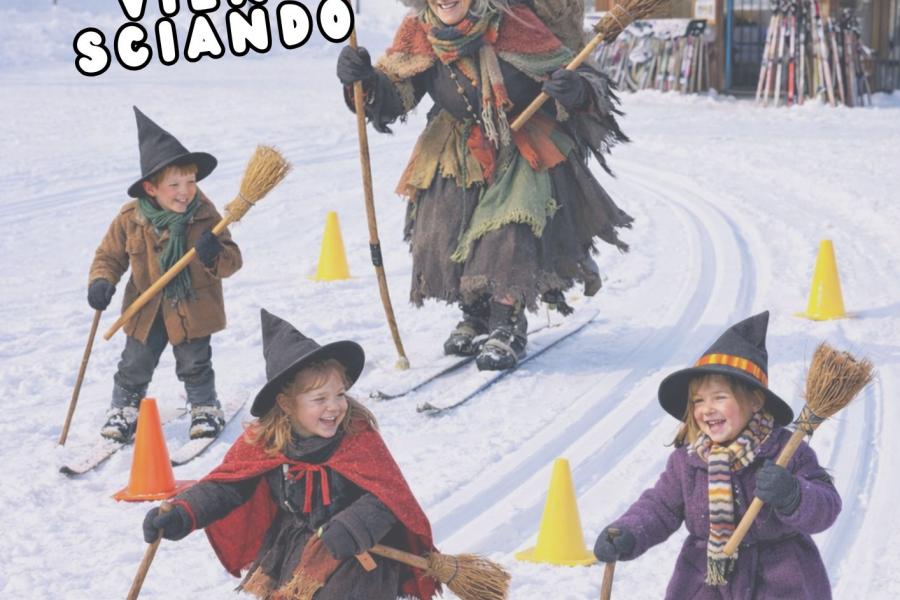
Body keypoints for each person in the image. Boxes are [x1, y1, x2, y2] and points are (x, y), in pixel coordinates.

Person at [336, 0, 632, 371]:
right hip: (457, 145)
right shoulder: (419, 32)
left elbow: (582, 78)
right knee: (445, 226)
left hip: (522, 139)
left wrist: (575, 89)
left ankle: (507, 319)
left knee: (509, 228)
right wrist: (364, 82)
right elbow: (395, 94)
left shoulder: (518, 23)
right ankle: (475, 314)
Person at [141, 309, 438, 600]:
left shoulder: (356, 436)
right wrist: (184, 512)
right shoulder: (266, 441)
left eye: (339, 394)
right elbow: (227, 486)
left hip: (357, 553)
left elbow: (388, 498)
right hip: (297, 548)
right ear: (286, 404)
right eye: (320, 399)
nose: (334, 406)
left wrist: (353, 526)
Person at [592, 311, 842, 599]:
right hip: (705, 583)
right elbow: (659, 507)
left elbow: (827, 506)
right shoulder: (688, 461)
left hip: (780, 582)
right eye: (698, 401)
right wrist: (628, 532)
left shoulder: (786, 452)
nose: (707, 409)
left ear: (755, 400)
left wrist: (792, 495)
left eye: (719, 397)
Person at [88, 107, 242, 442]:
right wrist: (101, 281)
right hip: (146, 308)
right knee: (135, 362)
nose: (185, 191)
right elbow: (109, 256)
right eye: (174, 184)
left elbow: (232, 262)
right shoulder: (130, 218)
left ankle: (205, 407)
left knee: (194, 362)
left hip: (193, 308)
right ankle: (124, 409)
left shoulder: (205, 216)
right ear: (151, 188)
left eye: (190, 182)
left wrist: (213, 254)